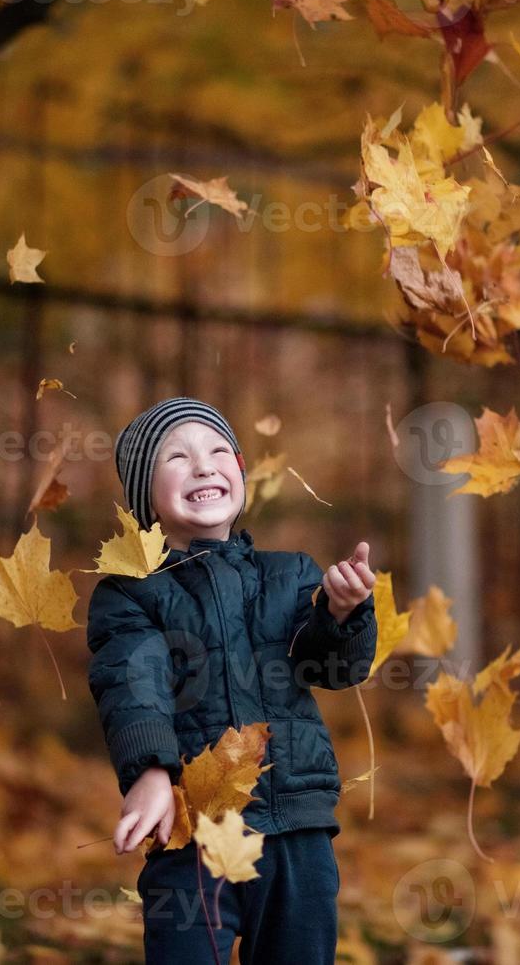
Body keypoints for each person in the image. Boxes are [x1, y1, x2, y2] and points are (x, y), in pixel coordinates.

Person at [86, 396, 378, 963]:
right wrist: (150, 771)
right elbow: (132, 681)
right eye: (176, 456)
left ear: (239, 473)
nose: (203, 464)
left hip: (296, 829)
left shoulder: (290, 573)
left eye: (219, 450)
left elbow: (332, 668)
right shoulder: (130, 592)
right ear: (145, 497)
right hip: (193, 828)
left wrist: (343, 615)